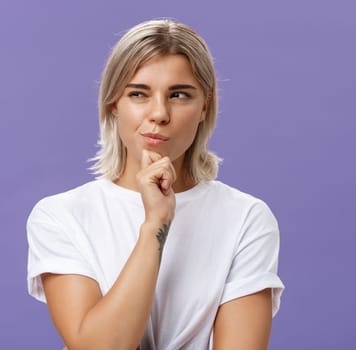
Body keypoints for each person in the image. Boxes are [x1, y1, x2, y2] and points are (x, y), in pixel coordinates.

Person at [26, 19, 284, 349]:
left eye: (179, 94)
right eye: (138, 93)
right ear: (112, 104)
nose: (159, 113)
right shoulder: (61, 216)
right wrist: (155, 224)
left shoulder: (245, 218)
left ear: (204, 105)